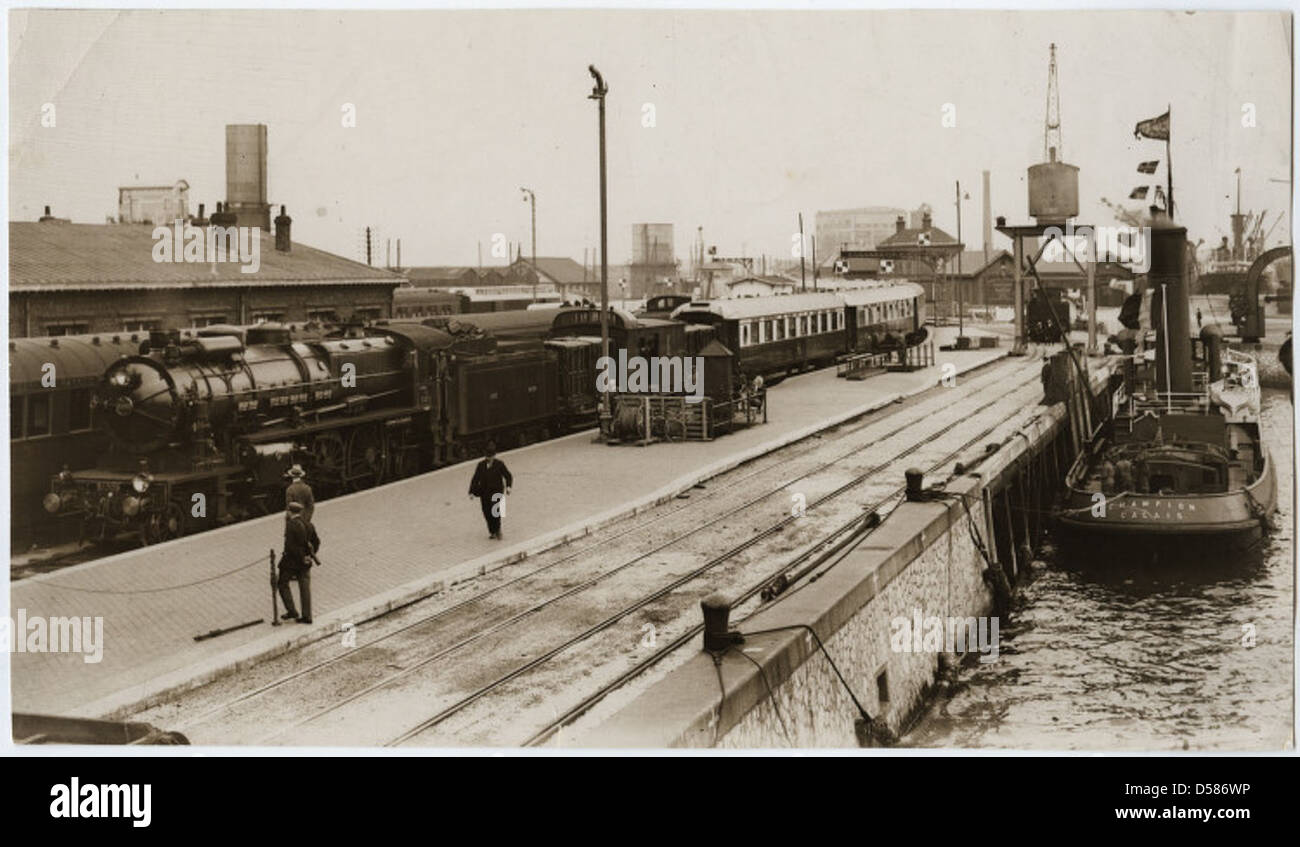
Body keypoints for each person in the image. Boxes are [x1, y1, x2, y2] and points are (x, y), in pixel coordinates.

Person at [277, 500, 321, 624]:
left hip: (291, 562)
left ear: (289, 512)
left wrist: (300, 557)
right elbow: (317, 542)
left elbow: (290, 546)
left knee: (282, 583)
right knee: (305, 588)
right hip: (305, 562)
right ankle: (307, 616)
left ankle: (292, 611)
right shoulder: (308, 524)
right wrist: (309, 556)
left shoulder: (290, 525)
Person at [469, 442, 513, 540]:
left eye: (490, 456)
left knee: (496, 512)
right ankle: (492, 531)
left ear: (494, 455)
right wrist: (471, 492)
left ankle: (498, 530)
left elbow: (508, 476)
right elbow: (475, 478)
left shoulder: (499, 464)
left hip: (497, 492)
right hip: (484, 492)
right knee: (487, 512)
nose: (489, 458)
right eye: (487, 456)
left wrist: (509, 487)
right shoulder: (480, 465)